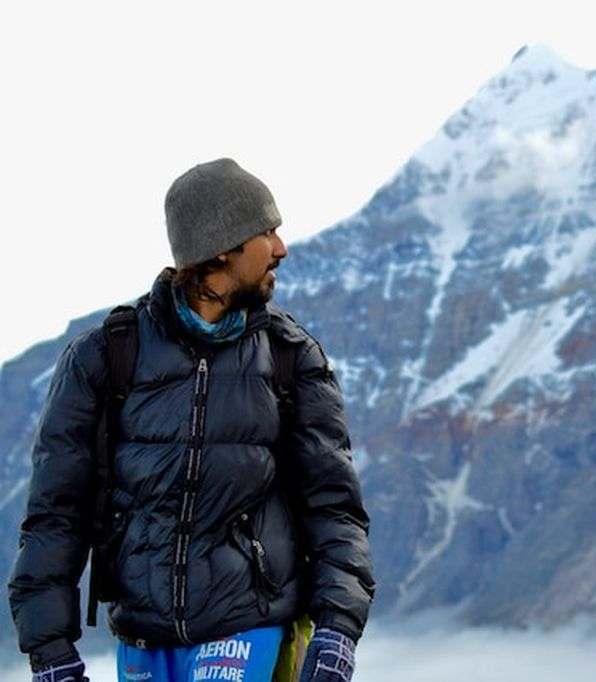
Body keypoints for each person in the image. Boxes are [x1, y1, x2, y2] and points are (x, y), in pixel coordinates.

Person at [8, 158, 375, 681]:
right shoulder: (105, 356)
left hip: (250, 625)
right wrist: (49, 649)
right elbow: (56, 512)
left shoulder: (291, 357)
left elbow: (334, 507)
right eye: (266, 231)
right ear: (221, 247)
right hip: (143, 636)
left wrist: (338, 628)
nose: (281, 248)